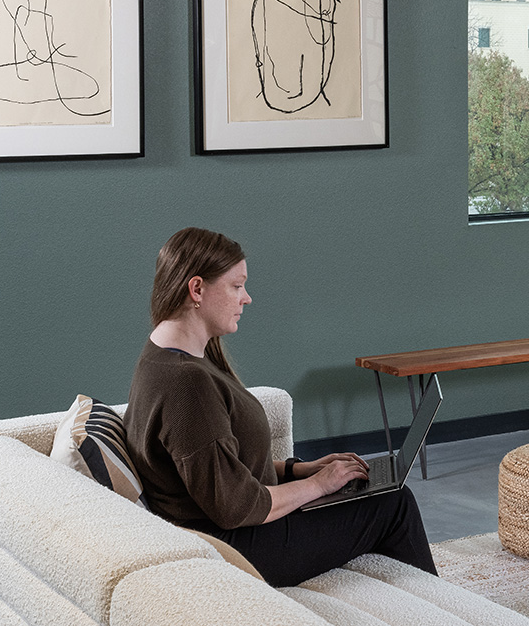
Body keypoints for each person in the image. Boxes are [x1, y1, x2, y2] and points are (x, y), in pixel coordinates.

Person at [124, 226, 437, 587]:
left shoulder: (164, 355)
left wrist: (299, 469)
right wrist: (320, 484)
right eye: (236, 285)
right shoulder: (187, 383)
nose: (247, 298)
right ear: (197, 289)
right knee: (393, 504)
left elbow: (211, 464)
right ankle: (447, 611)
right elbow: (234, 505)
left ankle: (402, 601)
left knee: (373, 496)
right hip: (238, 550)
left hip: (236, 530)